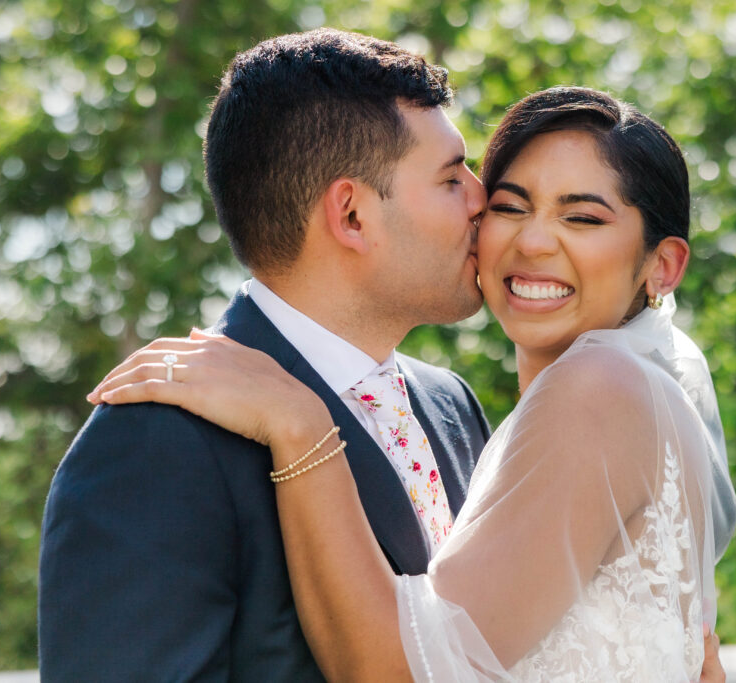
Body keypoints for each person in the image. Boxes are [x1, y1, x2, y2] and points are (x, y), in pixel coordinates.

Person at [91, 86, 736, 681]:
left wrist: (301, 422)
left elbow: (403, 669)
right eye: (509, 205)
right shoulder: (157, 439)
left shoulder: (600, 387)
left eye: (583, 219)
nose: (533, 240)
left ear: (663, 265)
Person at [38, 29, 492, 680]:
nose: (482, 199)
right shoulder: (155, 443)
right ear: (352, 214)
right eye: (453, 178)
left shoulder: (451, 406)